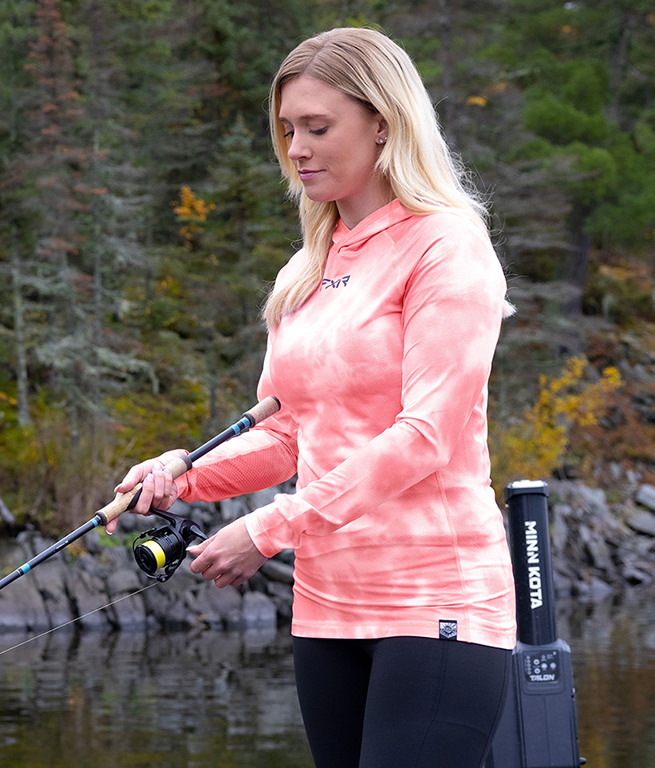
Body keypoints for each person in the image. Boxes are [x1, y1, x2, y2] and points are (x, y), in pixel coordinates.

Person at [111, 27, 517, 768]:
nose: (296, 147)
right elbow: (288, 433)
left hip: (436, 601)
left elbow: (424, 435)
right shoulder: (307, 268)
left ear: (383, 124)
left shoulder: (446, 246)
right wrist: (179, 476)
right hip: (327, 610)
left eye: (318, 127)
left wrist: (270, 529)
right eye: (288, 128)